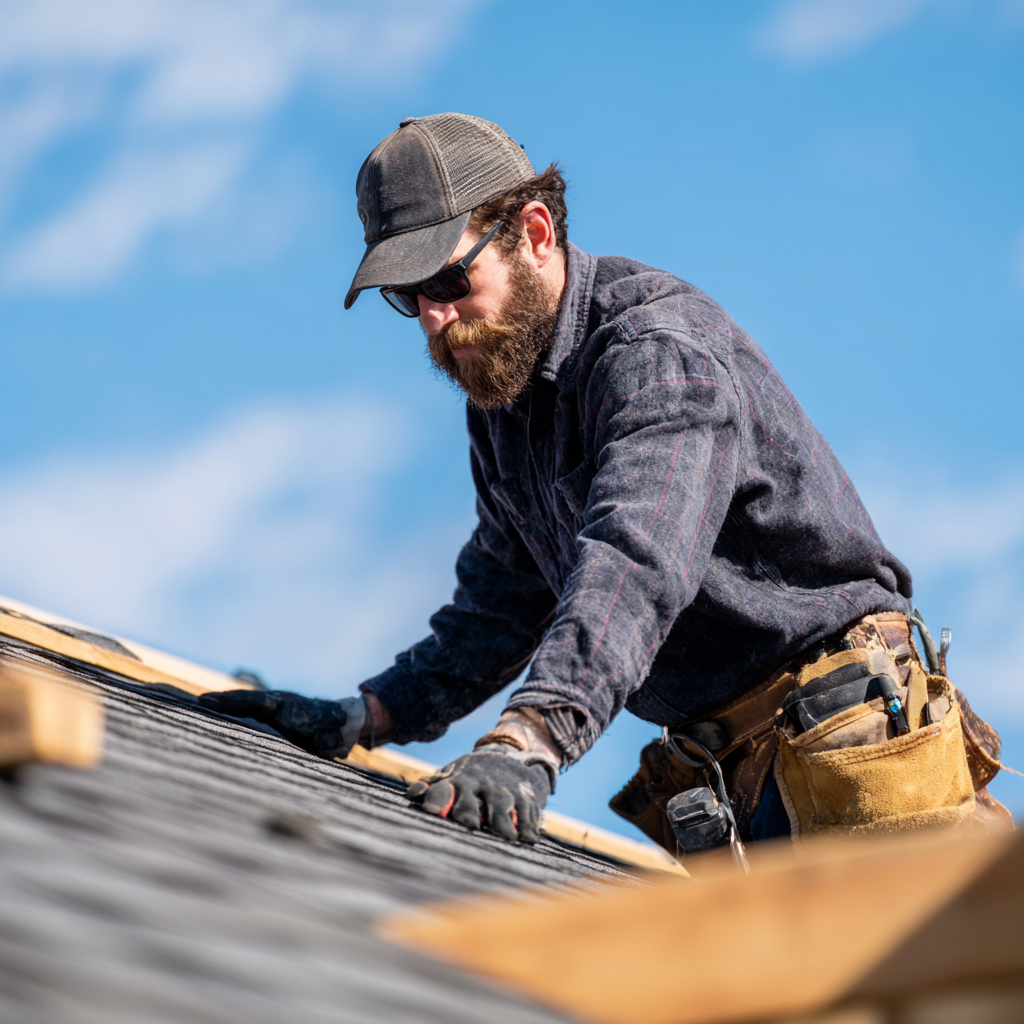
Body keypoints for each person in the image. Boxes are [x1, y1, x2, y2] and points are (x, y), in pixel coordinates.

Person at [201, 113, 1009, 852]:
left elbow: (634, 559)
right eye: (406, 300)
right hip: (734, 772)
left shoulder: (657, 354)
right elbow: (503, 600)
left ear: (535, 233)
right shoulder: (505, 392)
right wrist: (367, 715)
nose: (435, 322)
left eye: (447, 283)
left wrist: (529, 741)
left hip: (851, 741)